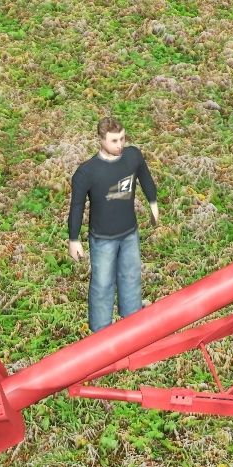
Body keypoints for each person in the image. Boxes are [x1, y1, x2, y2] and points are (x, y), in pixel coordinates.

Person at [67, 118, 160, 332]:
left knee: (131, 276)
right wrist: (73, 238)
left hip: (129, 233)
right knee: (102, 284)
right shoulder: (86, 172)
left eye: (122, 139)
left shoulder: (133, 156)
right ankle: (101, 333)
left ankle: (132, 324)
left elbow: (145, 178)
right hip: (102, 239)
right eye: (114, 140)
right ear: (101, 140)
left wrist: (153, 203)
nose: (120, 145)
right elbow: (77, 206)